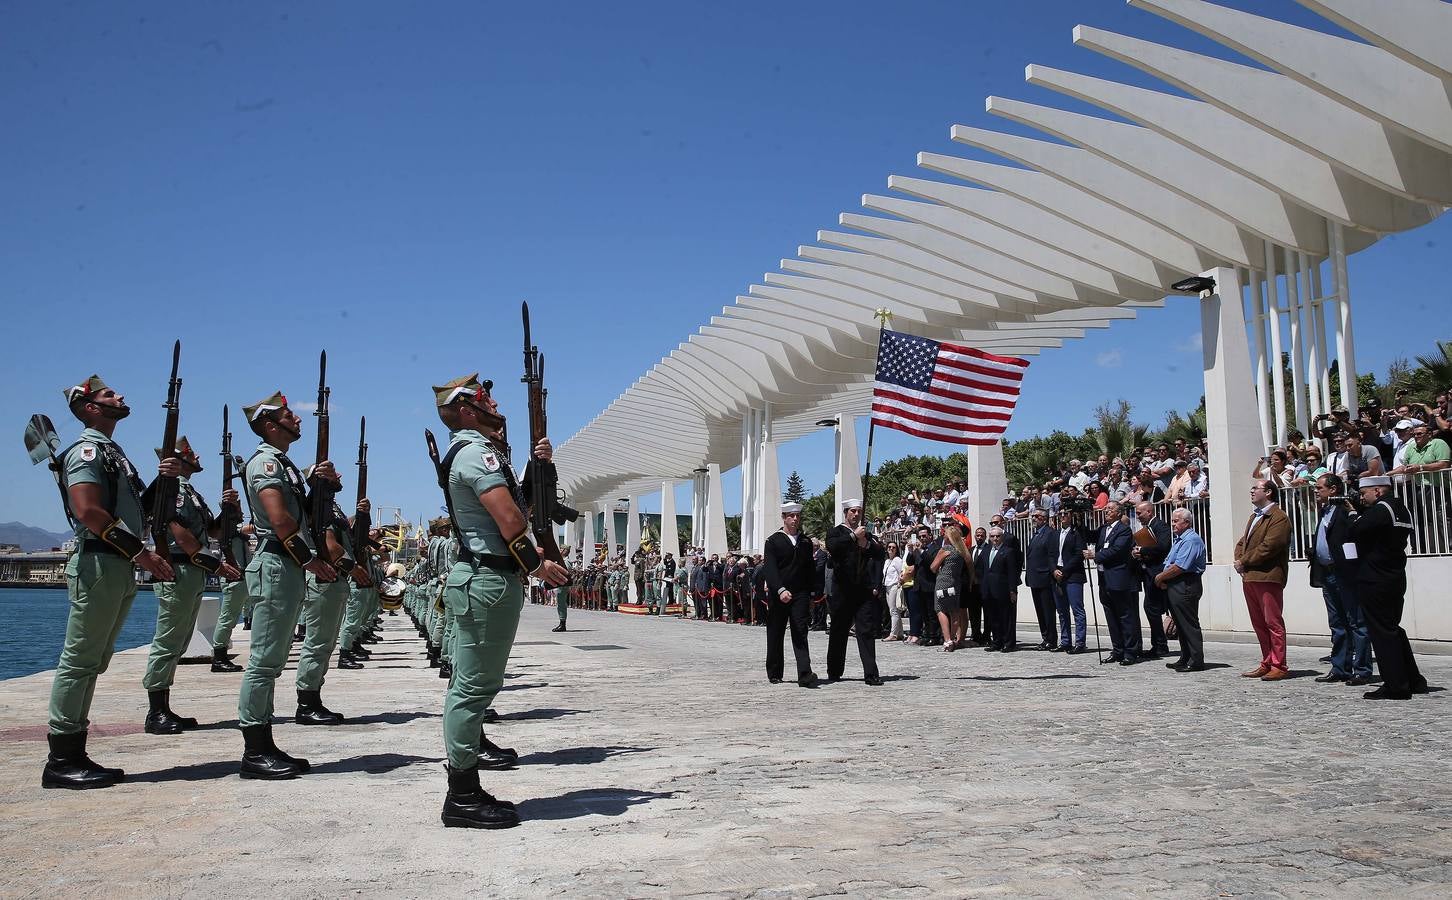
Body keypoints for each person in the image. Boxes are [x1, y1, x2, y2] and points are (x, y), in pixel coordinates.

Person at [432, 373, 569, 827]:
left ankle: (466, 787)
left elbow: (519, 507)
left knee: (474, 686)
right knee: (473, 688)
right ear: (467, 411)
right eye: (485, 402)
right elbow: (509, 519)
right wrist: (537, 565)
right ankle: (462, 796)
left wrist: (539, 467)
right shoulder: (477, 453)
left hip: (487, 577)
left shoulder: (479, 452)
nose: (495, 406)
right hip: (487, 578)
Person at [42, 376, 180, 789]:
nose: (119, 396)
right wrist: (142, 554)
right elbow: (87, 510)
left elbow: (135, 509)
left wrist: (164, 479)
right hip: (101, 562)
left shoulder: (111, 452)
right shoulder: (86, 451)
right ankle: (62, 758)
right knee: (80, 660)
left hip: (116, 564)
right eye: (108, 395)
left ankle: (74, 751)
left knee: (95, 660)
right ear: (90, 408)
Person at [236, 391, 340, 780]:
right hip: (278, 562)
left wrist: (320, 486)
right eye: (287, 415)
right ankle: (254, 750)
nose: (297, 419)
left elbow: (303, 515)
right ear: (268, 425)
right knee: (264, 662)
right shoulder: (265, 463)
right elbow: (280, 521)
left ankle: (264, 743)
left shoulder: (284, 464)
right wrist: (311, 560)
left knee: (274, 660)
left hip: (287, 565)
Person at [141, 436, 242, 734]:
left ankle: (164, 706)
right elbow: (180, 534)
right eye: (190, 453)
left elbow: (211, 531)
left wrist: (228, 510)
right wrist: (216, 565)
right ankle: (156, 711)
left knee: (180, 641)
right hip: (179, 568)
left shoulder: (190, 492)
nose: (197, 456)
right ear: (180, 459)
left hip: (192, 570)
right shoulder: (171, 490)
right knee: (168, 640)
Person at [293, 495, 373, 725]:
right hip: (324, 579)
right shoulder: (321, 507)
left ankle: (313, 698)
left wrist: (361, 516)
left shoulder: (332, 509)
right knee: (317, 643)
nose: (338, 478)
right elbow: (330, 545)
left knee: (324, 644)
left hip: (332, 580)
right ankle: (306, 704)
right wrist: (353, 568)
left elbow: (345, 534)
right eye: (332, 477)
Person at [1348, 475, 1428, 699]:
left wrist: (1353, 514)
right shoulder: (1400, 508)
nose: (1361, 498)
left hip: (1375, 577)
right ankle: (1413, 679)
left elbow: (1355, 531)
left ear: (1378, 490)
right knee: (1392, 629)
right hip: (1394, 575)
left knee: (1382, 632)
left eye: (1364, 493)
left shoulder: (1381, 509)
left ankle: (1396, 685)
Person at [1309, 473, 1373, 686]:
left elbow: (1356, 534)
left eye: (1320, 488)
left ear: (1333, 489)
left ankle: (1362, 669)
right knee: (1337, 623)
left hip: (1345, 573)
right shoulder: (1324, 510)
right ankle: (1340, 667)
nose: (1316, 491)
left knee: (1356, 622)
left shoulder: (1345, 509)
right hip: (1326, 573)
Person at [1235, 479, 1292, 681]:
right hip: (1251, 576)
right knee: (1259, 622)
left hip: (1268, 576)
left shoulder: (1278, 517)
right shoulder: (1255, 516)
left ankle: (1279, 664)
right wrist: (1239, 558)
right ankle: (1267, 661)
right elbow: (1243, 542)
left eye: (1255, 488)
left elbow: (1270, 546)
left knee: (1273, 622)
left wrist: (1244, 560)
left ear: (1268, 492)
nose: (1251, 491)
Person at [824, 499, 885, 685]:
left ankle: (871, 673)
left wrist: (866, 543)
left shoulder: (865, 533)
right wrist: (853, 537)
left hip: (862, 590)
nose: (856, 514)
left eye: (859, 511)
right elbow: (833, 547)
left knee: (866, 631)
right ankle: (834, 670)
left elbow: (879, 554)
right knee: (839, 630)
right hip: (842, 589)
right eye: (853, 511)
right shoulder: (836, 532)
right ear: (846, 513)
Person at [761, 502, 819, 687]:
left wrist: (812, 594)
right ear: (784, 518)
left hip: (800, 594)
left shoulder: (805, 542)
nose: (795, 519)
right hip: (779, 594)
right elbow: (770, 569)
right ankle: (775, 672)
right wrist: (779, 589)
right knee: (776, 632)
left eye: (797, 516)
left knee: (800, 631)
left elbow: (810, 569)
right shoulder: (773, 541)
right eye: (791, 516)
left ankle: (805, 673)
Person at [1089, 500, 1141, 665]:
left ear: (1119, 513)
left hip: (1118, 578)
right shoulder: (1103, 529)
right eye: (1106, 509)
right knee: (1110, 616)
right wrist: (1077, 519)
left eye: (1110, 509)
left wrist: (1096, 556)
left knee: (1125, 615)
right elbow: (1088, 536)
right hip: (1104, 578)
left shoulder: (1124, 530)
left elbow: (1117, 550)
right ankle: (1117, 650)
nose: (1107, 511)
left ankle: (1130, 651)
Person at [1156, 507, 1207, 672]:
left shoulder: (1191, 540)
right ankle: (1185, 657)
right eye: (1172, 521)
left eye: (1176, 521)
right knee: (1180, 623)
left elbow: (1180, 566)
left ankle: (1196, 660)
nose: (1173, 524)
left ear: (1187, 522)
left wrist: (1159, 577)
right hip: (1176, 584)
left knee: (1188, 624)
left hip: (1186, 583)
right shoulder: (1180, 539)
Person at [1131, 501, 1172, 659]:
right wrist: (1136, 552)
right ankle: (1158, 644)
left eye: (1139, 513)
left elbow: (1163, 546)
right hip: (1147, 573)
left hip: (1158, 573)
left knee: (1151, 608)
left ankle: (1160, 645)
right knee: (1151, 608)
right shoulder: (1145, 529)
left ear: (1149, 511)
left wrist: (1143, 550)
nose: (1137, 516)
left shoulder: (1160, 526)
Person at [211, 521, 253, 673]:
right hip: (234, 577)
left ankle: (220, 655)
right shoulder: (226, 533)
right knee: (227, 618)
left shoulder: (236, 533)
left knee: (230, 618)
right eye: (238, 512)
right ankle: (219, 657)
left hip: (243, 576)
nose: (241, 514)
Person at [1050, 510, 1087, 653]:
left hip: (1073, 575)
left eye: (1065, 514)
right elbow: (1050, 554)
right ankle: (1065, 641)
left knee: (1077, 610)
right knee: (1062, 610)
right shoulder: (1055, 534)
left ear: (1071, 516)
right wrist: (1054, 570)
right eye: (1060, 514)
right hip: (1057, 574)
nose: (1062, 516)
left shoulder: (1076, 533)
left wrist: (1064, 571)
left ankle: (1080, 642)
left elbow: (1079, 554)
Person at [930, 524, 971, 651]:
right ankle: (952, 639)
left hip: (943, 582)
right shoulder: (962, 551)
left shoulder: (945, 549)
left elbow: (933, 567)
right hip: (955, 583)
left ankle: (947, 640)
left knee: (940, 609)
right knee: (954, 611)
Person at [1022, 509, 1058, 650]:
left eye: (1036, 516)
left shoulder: (1049, 533)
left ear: (1044, 518)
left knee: (1048, 611)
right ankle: (1045, 637)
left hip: (1045, 577)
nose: (1034, 518)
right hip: (1034, 578)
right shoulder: (1036, 534)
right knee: (1040, 610)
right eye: (1033, 516)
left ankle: (1051, 639)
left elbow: (1051, 555)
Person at [880, 541, 906, 642]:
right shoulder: (887, 561)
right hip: (887, 586)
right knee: (894, 610)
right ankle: (900, 633)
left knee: (893, 610)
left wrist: (899, 583)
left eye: (893, 547)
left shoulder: (897, 560)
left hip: (894, 586)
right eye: (889, 547)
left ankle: (893, 634)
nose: (891, 549)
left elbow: (901, 572)